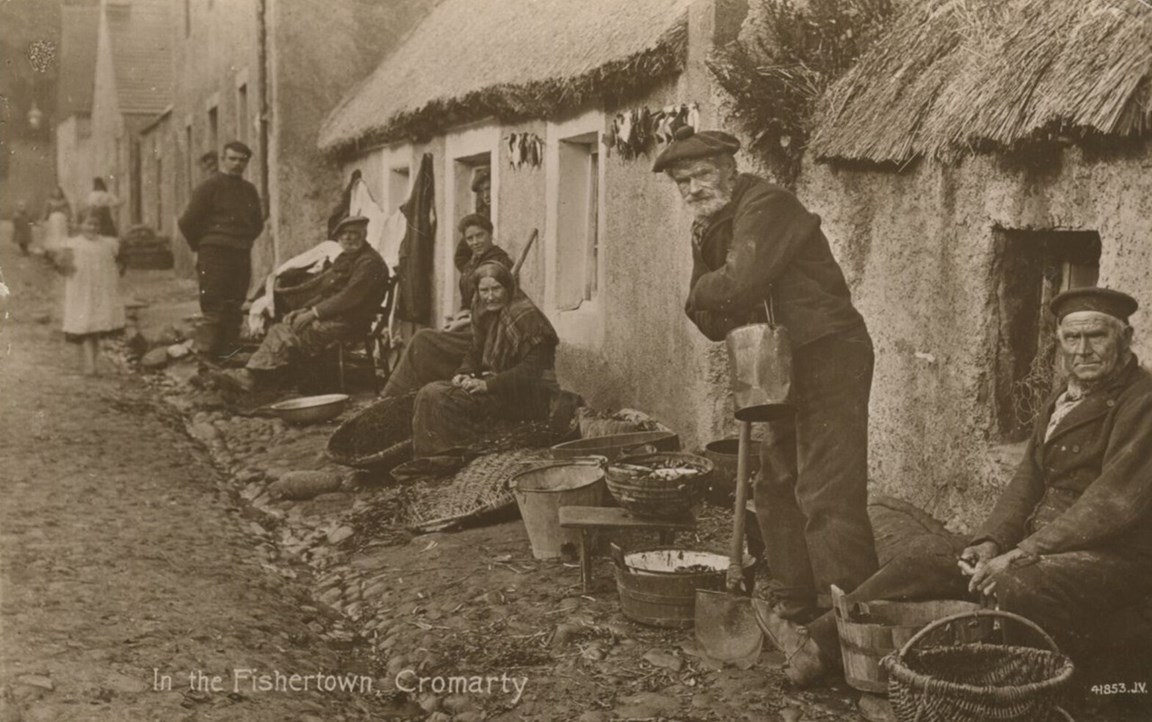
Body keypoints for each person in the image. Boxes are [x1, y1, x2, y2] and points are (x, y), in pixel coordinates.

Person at [765, 287, 1152, 686]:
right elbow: (1028, 481)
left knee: (1012, 583)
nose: (1083, 350)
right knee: (927, 557)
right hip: (1043, 546)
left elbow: (1112, 505)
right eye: (1073, 338)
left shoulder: (1142, 401)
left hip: (1111, 556)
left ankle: (1025, 692)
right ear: (1060, 342)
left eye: (1097, 336)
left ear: (1125, 340)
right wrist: (989, 542)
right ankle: (817, 644)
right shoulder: (1063, 398)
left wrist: (1021, 554)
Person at [652, 126, 878, 641]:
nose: (693, 188)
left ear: (730, 169)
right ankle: (797, 599)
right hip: (777, 363)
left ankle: (857, 616)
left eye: (702, 174)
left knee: (826, 489)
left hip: (828, 354)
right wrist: (715, 292)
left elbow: (735, 286)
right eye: (682, 181)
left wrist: (711, 290)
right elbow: (709, 320)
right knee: (775, 484)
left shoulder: (767, 204)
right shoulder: (708, 226)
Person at [212, 216, 388, 392]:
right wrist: (304, 309)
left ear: (364, 235)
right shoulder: (348, 258)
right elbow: (329, 293)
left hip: (352, 322)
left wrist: (313, 313)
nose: (348, 238)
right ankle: (264, 378)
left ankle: (254, 377)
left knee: (286, 331)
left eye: (354, 234)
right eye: (344, 235)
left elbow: (349, 297)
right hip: (338, 317)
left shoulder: (369, 263)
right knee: (288, 324)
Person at [411, 261, 558, 458]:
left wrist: (487, 385)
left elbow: (532, 371)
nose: (490, 296)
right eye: (484, 290)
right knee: (430, 392)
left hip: (528, 396)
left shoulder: (525, 316)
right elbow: (475, 350)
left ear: (508, 287)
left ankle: (450, 454)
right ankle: (438, 453)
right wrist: (464, 372)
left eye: (496, 288)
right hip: (499, 386)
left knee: (438, 396)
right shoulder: (483, 311)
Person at [381, 214, 513, 397]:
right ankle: (404, 396)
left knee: (423, 339)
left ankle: (391, 396)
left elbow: (489, 312)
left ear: (490, 234)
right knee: (426, 341)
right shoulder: (474, 262)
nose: (475, 242)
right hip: (472, 327)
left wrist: (458, 325)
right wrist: (460, 317)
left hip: (489, 335)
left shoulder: (497, 264)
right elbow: (470, 303)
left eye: (480, 235)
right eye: (470, 238)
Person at [178, 141, 263, 359]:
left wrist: (241, 240)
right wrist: (203, 245)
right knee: (214, 305)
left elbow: (257, 223)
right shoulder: (209, 187)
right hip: (214, 255)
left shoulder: (249, 190)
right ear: (223, 160)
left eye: (242, 160)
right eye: (232, 159)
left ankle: (228, 357)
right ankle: (206, 360)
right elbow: (188, 221)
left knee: (234, 305)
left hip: (240, 254)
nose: (237, 164)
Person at [51, 208, 125, 375]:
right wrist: (67, 265)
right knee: (85, 326)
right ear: (80, 225)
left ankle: (92, 363)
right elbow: (61, 267)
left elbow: (119, 264)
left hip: (100, 291)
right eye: (88, 224)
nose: (92, 228)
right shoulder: (73, 244)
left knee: (96, 327)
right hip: (81, 291)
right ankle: (89, 365)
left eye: (96, 224)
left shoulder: (108, 244)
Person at [41, 186, 72, 253]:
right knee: (53, 233)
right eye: (55, 192)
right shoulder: (49, 201)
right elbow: (46, 211)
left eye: (58, 192)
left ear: (61, 193)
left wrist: (69, 219)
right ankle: (52, 248)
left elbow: (68, 211)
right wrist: (42, 220)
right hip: (53, 219)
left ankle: (61, 247)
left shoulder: (64, 201)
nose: (57, 193)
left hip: (62, 219)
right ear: (53, 193)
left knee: (61, 233)